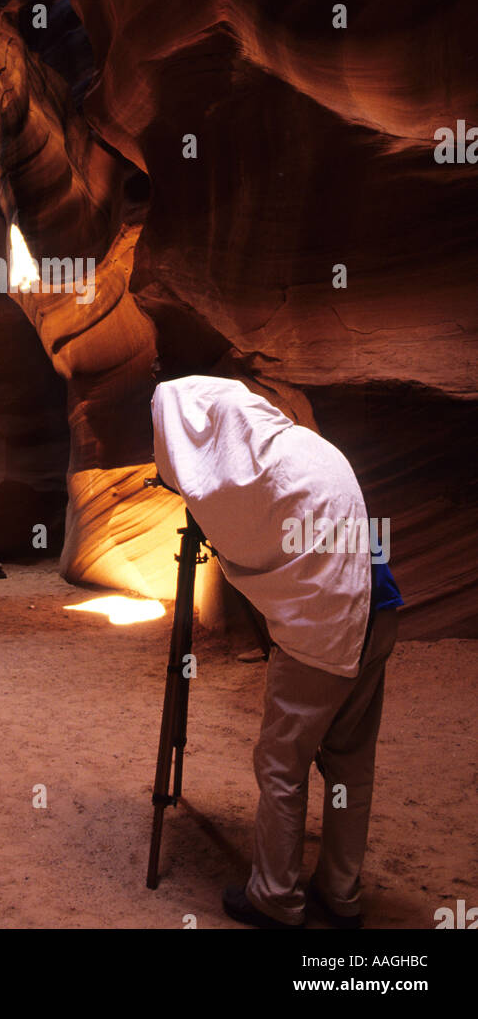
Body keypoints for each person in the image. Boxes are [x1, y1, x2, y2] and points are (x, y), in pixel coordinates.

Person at [151, 375, 403, 930]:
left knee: (282, 764)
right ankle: (341, 893)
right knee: (349, 763)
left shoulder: (233, 484)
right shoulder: (302, 445)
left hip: (327, 625)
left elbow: (201, 493)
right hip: (380, 606)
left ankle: (275, 898)